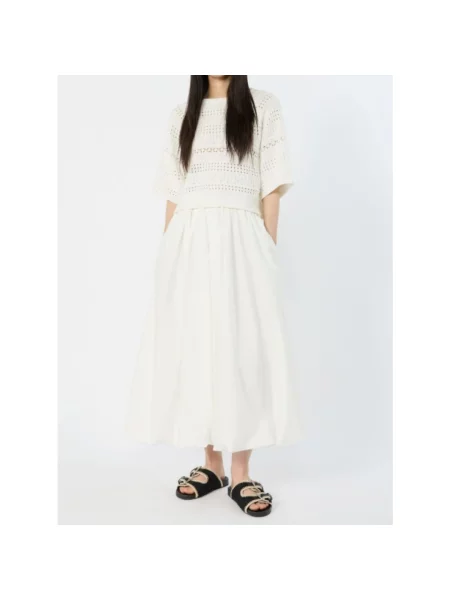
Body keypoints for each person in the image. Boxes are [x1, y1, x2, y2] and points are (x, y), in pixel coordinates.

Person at [128, 75, 300, 517]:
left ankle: (241, 472)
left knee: (242, 351)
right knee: (199, 349)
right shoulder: (181, 116)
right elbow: (174, 193)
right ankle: (212, 465)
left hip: (243, 243)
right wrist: (167, 257)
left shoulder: (264, 107)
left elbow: (271, 187)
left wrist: (267, 252)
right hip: (189, 244)